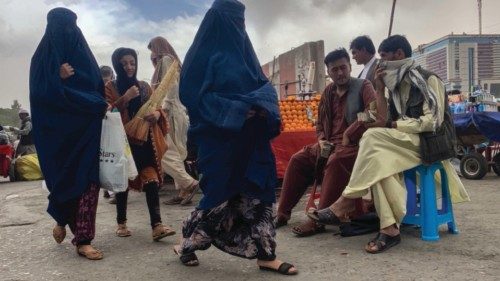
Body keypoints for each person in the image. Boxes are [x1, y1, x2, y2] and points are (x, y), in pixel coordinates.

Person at [308, 35, 470, 253]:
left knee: (372, 139)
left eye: (383, 57)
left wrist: (394, 125)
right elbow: (383, 119)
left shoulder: (428, 80)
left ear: (399, 55)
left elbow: (431, 122)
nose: (380, 63)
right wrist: (379, 88)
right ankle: (389, 228)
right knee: (377, 157)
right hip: (402, 143)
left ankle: (347, 200)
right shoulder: (393, 84)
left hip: (429, 143)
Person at [176, 0, 297, 275]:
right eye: (233, 22)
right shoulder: (202, 57)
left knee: (261, 195)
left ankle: (267, 254)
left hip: (252, 141)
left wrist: (263, 109)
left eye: (242, 22)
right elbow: (193, 96)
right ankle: (187, 245)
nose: (239, 28)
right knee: (219, 198)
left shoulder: (247, 55)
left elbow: (264, 87)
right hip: (219, 142)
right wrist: (239, 110)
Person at [29, 7, 108, 260]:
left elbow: (97, 92)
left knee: (88, 183)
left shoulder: (84, 56)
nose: (65, 33)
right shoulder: (42, 60)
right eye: (59, 27)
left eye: (69, 27)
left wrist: (92, 104)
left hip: (86, 133)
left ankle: (84, 240)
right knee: (64, 181)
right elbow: (39, 96)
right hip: (57, 137)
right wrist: (56, 77)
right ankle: (62, 217)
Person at [275, 48, 378, 237]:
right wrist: (322, 140)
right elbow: (320, 122)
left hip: (355, 146)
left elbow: (372, 113)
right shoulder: (328, 91)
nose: (340, 73)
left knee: (336, 161)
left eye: (343, 68)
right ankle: (282, 213)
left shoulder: (364, 86)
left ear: (349, 66)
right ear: (328, 72)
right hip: (329, 144)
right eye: (334, 70)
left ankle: (318, 220)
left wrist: (351, 130)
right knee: (298, 159)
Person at [105, 47, 176, 241]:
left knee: (151, 179)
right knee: (122, 183)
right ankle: (121, 223)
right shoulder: (110, 87)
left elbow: (158, 108)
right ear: (117, 65)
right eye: (124, 63)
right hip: (122, 142)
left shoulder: (145, 86)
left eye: (132, 63)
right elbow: (106, 111)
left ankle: (157, 225)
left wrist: (156, 115)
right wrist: (125, 98)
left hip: (145, 142)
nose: (129, 67)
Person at [148, 36, 199, 206]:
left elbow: (171, 86)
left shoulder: (166, 60)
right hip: (177, 112)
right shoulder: (170, 60)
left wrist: (165, 108)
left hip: (169, 112)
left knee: (163, 149)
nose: (152, 55)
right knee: (175, 152)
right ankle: (183, 190)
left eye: (153, 50)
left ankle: (188, 183)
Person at [99, 65, 116, 203]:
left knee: (112, 157)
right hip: (103, 127)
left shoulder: (114, 87)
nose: (105, 79)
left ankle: (114, 190)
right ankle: (107, 188)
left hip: (113, 126)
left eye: (107, 76)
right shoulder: (98, 88)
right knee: (105, 157)